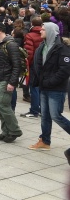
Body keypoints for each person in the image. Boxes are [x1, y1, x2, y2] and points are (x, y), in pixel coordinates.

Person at [28, 22, 70, 154]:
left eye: (44, 29)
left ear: (52, 31)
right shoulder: (42, 46)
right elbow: (39, 65)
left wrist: (50, 82)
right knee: (45, 116)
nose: (40, 31)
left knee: (55, 115)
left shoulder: (62, 49)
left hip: (56, 89)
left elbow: (64, 70)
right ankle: (45, 141)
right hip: (44, 86)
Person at [22, 17, 44, 118]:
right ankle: (42, 109)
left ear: (32, 24)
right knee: (41, 87)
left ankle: (34, 110)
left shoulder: (30, 35)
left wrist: (27, 64)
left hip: (34, 65)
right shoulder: (46, 34)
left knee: (34, 87)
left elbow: (29, 53)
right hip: (44, 64)